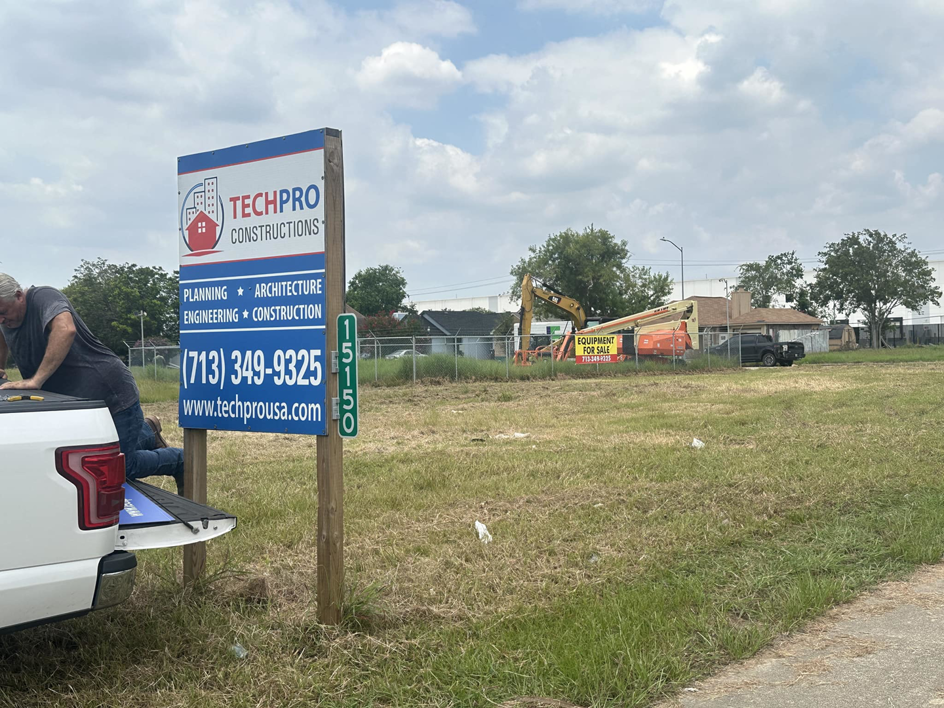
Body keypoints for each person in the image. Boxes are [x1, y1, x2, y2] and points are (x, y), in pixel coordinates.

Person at [0, 273, 184, 493]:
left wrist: (35, 381)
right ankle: (147, 432)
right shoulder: (7, 318)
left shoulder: (43, 297)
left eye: (3, 312)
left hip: (110, 394)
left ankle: (180, 460)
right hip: (80, 405)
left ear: (19, 296)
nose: (1, 320)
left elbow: (65, 329)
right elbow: (3, 338)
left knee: (118, 468)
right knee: (88, 461)